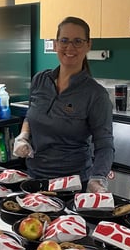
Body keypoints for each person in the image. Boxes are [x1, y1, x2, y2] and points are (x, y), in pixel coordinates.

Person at [13, 16, 114, 192]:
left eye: (77, 41)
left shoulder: (95, 94)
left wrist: (98, 178)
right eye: (64, 41)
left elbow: (104, 144)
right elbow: (31, 115)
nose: (70, 47)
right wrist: (23, 137)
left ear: (88, 45)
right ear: (55, 44)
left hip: (72, 185)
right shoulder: (40, 80)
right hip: (34, 177)